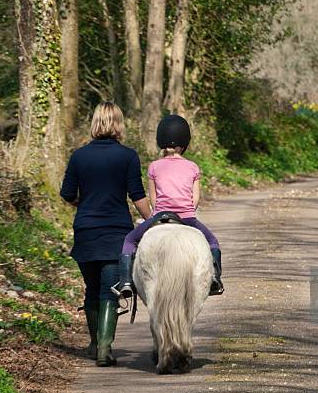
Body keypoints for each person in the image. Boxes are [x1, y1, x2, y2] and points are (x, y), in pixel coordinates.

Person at [60, 101, 151, 367]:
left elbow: (67, 193)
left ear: (95, 122)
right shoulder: (128, 156)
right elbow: (137, 195)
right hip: (116, 232)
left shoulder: (79, 156)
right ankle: (104, 348)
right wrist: (154, 219)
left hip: (86, 231)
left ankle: (94, 343)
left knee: (91, 289)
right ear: (119, 124)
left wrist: (85, 204)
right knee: (109, 291)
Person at [115, 114, 224, 298]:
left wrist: (157, 213)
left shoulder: (154, 167)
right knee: (213, 242)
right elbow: (195, 199)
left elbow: (154, 199)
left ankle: (126, 281)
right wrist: (186, 210)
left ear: (160, 140)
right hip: (187, 218)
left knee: (129, 240)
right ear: (184, 142)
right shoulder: (193, 167)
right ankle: (215, 279)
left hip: (160, 216)